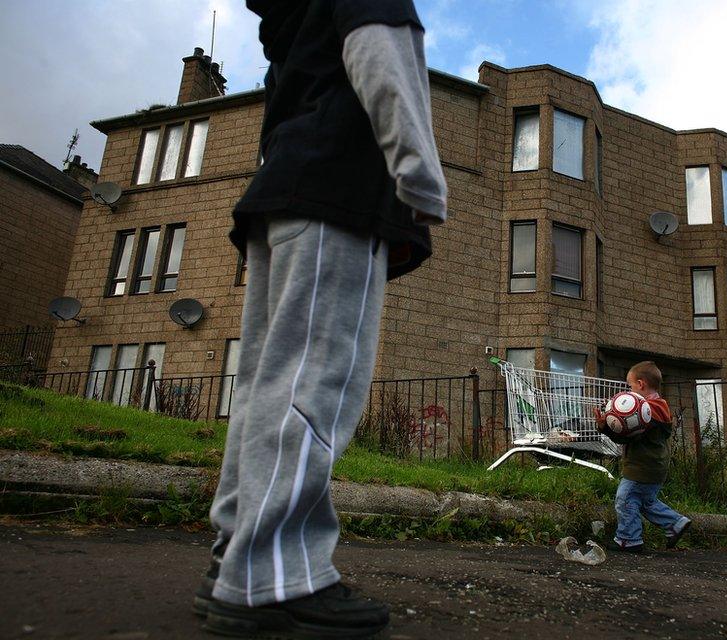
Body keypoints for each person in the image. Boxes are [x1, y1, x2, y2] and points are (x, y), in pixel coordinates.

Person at [192, 1, 448, 637]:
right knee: (315, 384)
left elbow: (282, 101)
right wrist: (420, 177)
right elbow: (380, 48)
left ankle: (236, 556)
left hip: (283, 188)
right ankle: (270, 576)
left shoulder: (290, 11)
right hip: (339, 189)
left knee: (264, 388)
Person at [594, 361, 692, 553]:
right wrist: (605, 425)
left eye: (630, 386)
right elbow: (629, 435)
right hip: (655, 466)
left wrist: (607, 426)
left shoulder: (646, 409)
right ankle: (675, 523)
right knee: (645, 502)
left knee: (625, 498)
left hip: (642, 466)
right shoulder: (660, 407)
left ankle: (628, 539)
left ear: (641, 384)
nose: (629, 390)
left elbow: (626, 436)